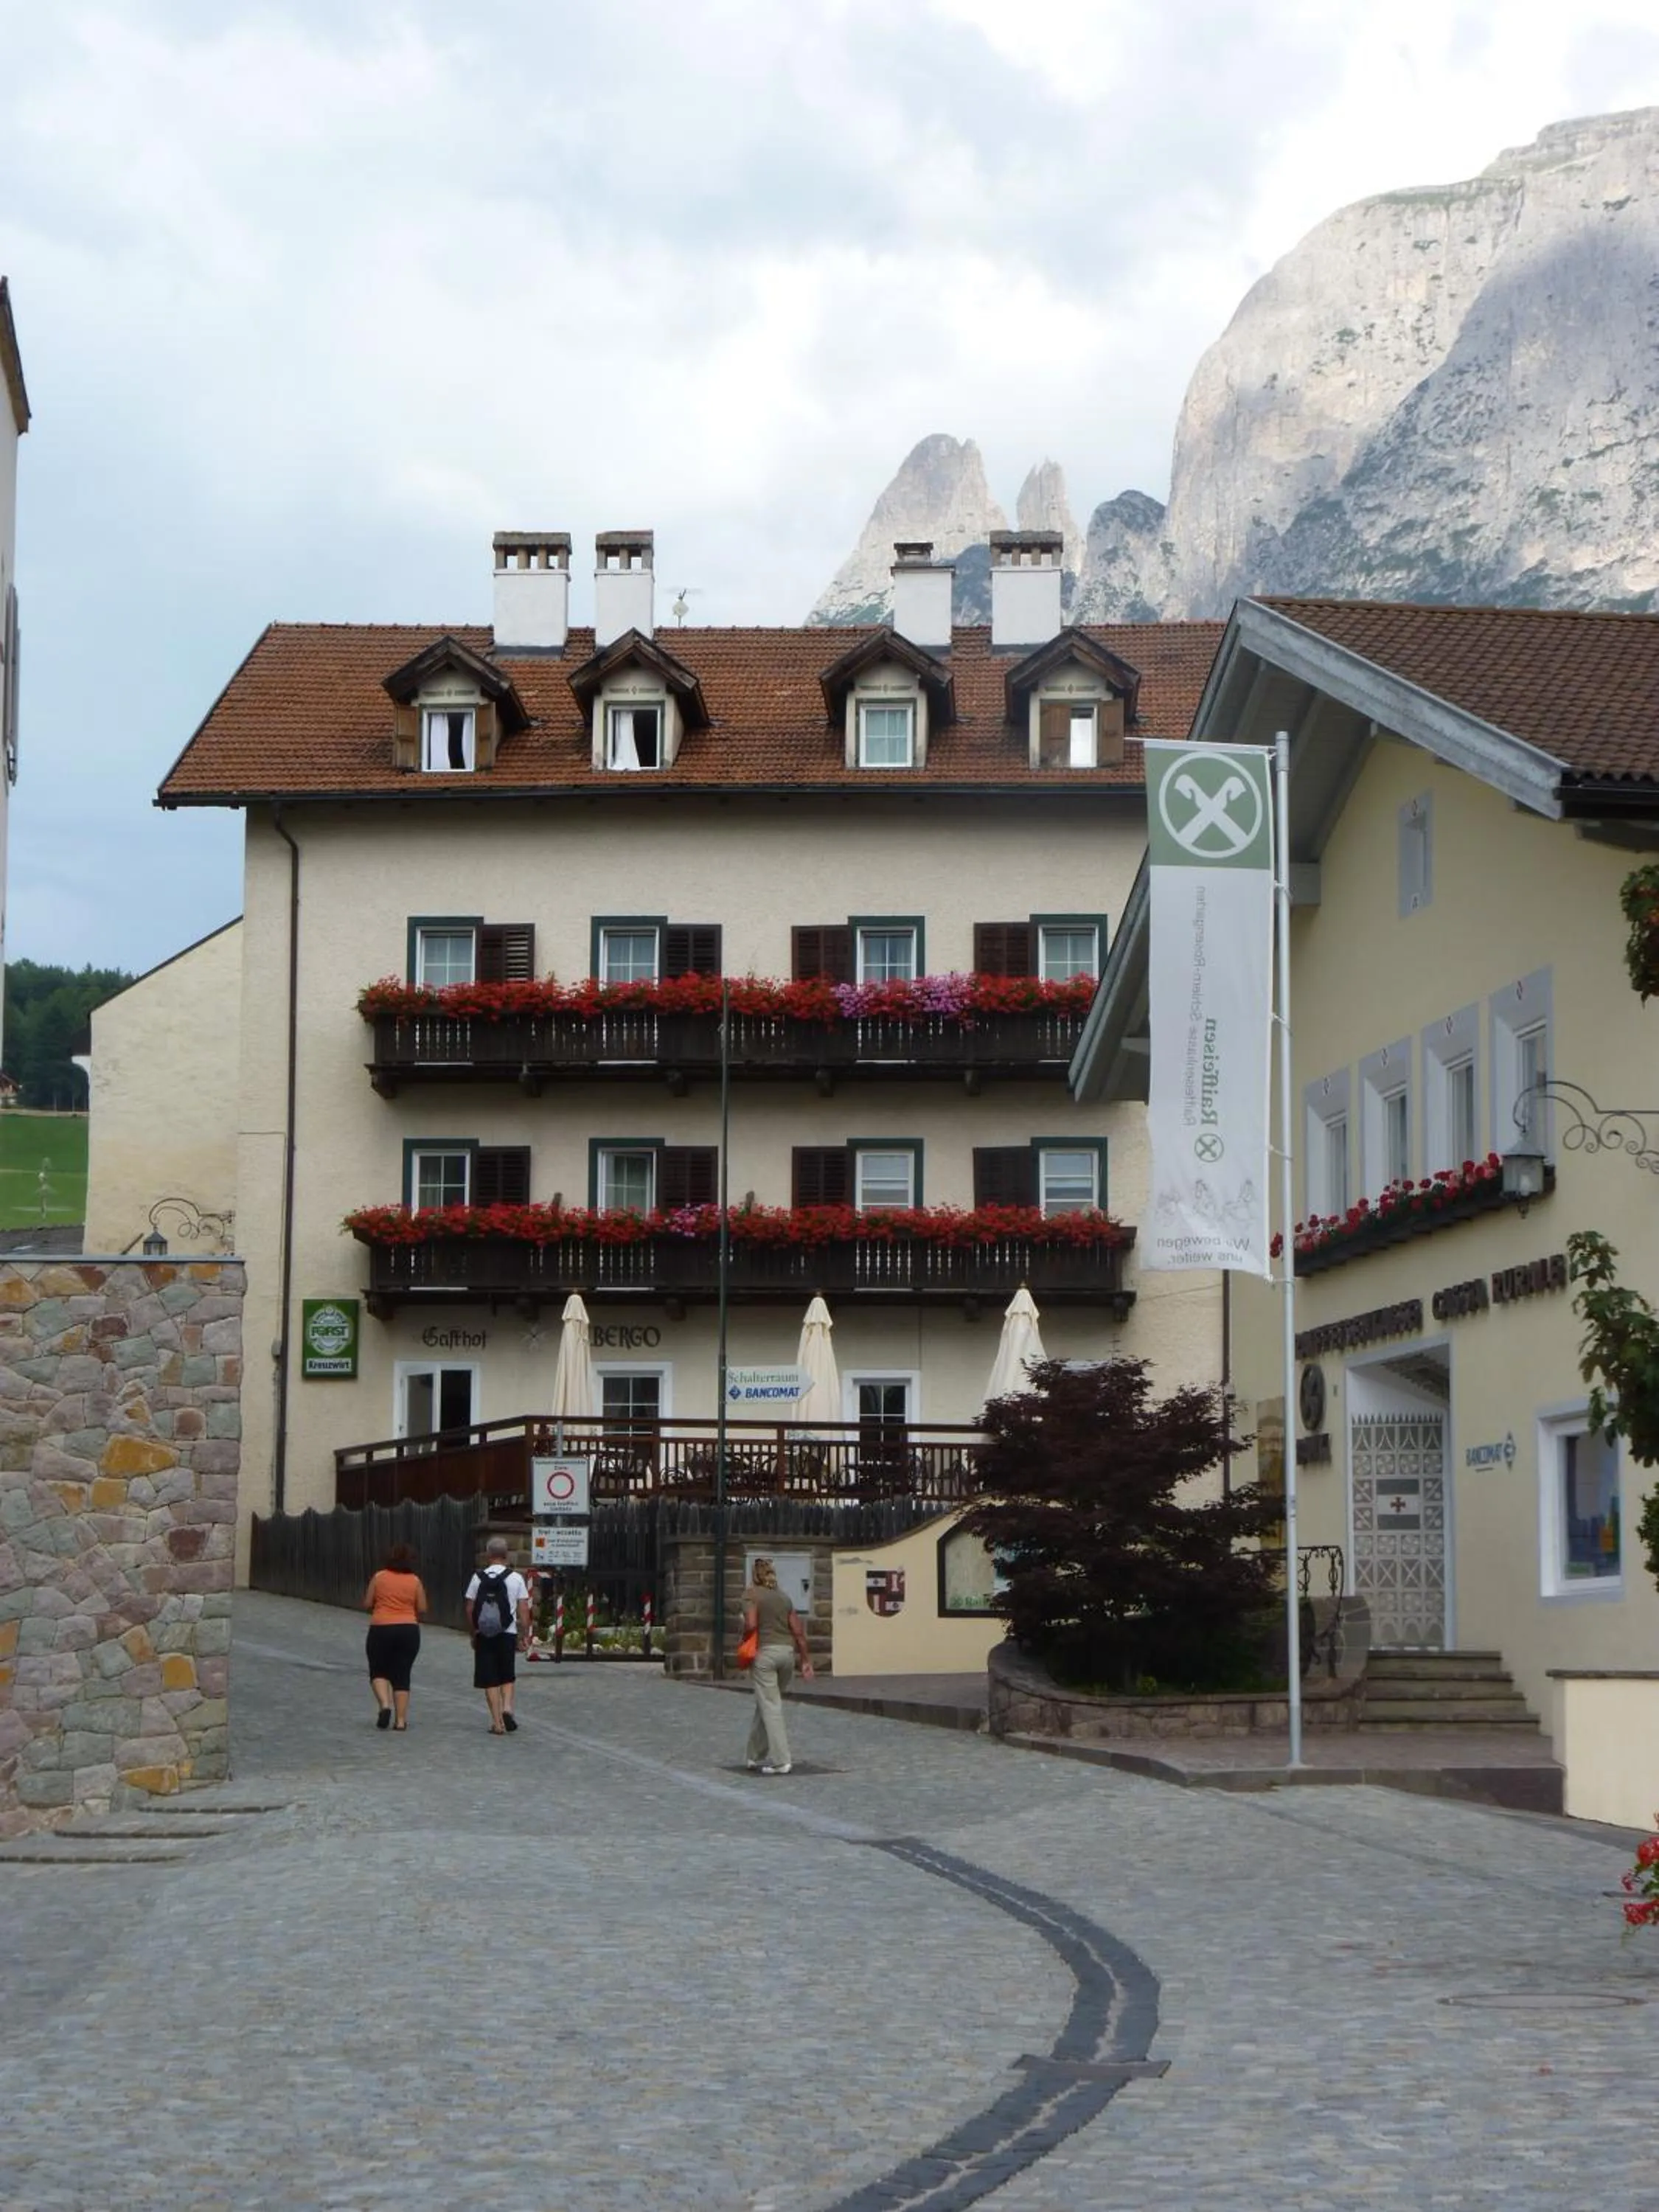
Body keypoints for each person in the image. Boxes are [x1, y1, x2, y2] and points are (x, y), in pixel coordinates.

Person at [740, 1556, 813, 1775]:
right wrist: (806, 1661)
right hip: (787, 1655)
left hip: (765, 1655)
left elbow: (751, 1624)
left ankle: (782, 1761)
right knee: (767, 1702)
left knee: (770, 1706)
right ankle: (753, 1755)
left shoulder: (751, 1595)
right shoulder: (784, 1597)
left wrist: (743, 1637)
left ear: (754, 1575)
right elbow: (798, 1632)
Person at [466, 1536, 530, 1736]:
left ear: (488, 1554)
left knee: (490, 1678)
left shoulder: (478, 1577)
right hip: (507, 1632)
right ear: (506, 1555)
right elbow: (524, 1610)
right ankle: (507, 1708)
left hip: (485, 1633)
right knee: (507, 1674)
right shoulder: (516, 1578)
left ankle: (497, 1723)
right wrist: (525, 1634)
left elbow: (470, 1608)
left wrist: (474, 1632)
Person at [362, 1543, 428, 1732]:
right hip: (408, 1629)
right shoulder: (415, 1581)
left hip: (381, 1628)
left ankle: (385, 1705)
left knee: (378, 1670)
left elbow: (367, 1602)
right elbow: (423, 1608)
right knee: (402, 1673)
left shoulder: (379, 1577)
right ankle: (400, 1721)